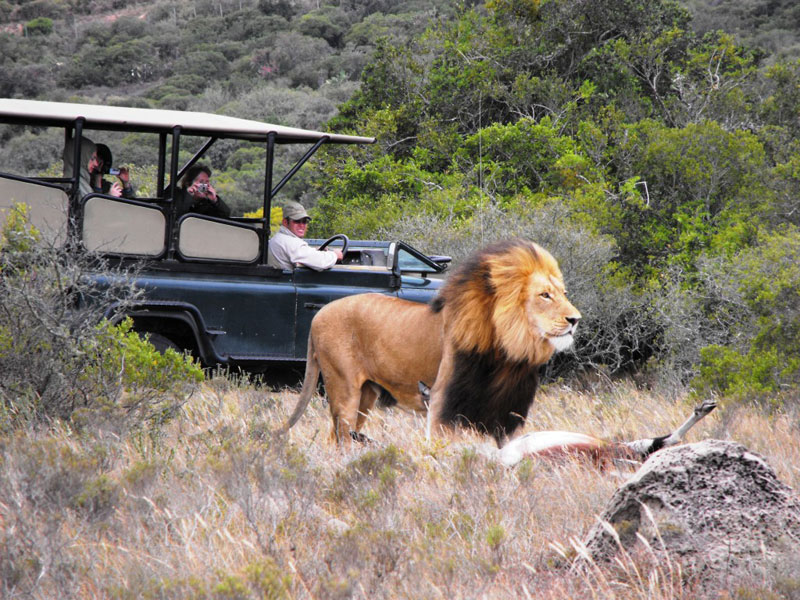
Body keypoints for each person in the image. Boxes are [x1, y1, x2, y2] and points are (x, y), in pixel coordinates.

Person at [268, 201, 342, 270]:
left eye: (304, 222)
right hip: (288, 282)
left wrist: (315, 251)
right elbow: (320, 262)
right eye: (297, 221)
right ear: (285, 222)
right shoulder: (290, 242)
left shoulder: (280, 238)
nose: (302, 225)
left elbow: (302, 253)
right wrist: (335, 255)